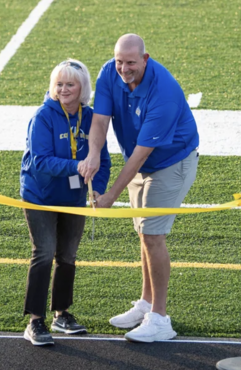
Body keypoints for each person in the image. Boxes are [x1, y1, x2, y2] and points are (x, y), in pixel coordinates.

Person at [78, 34, 198, 343]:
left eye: (130, 62)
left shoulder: (165, 93)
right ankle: (146, 304)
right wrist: (92, 153)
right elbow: (101, 122)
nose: (123, 69)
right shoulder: (109, 72)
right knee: (143, 233)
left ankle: (160, 318)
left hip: (171, 162)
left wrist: (109, 198)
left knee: (153, 236)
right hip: (139, 160)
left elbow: (141, 155)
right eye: (119, 61)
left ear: (145, 59)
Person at [20, 59, 111, 346]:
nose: (63, 89)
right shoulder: (43, 116)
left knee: (68, 255)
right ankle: (34, 320)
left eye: (70, 84)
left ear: (83, 88)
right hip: (40, 196)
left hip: (73, 198)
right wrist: (78, 166)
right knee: (44, 252)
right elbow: (40, 162)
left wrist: (98, 188)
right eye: (59, 84)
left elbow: (103, 160)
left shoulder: (92, 118)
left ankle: (62, 314)